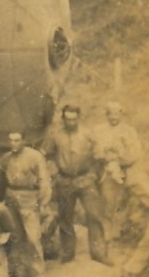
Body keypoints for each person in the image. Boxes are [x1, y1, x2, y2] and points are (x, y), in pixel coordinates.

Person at [42, 104, 109, 264]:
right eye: (67, 119)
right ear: (63, 119)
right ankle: (68, 252)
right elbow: (45, 155)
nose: (71, 122)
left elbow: (99, 156)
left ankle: (98, 252)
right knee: (65, 218)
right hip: (65, 181)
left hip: (86, 180)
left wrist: (93, 174)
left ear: (79, 118)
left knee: (94, 215)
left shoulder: (88, 134)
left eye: (74, 119)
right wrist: (55, 173)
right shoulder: (55, 135)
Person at [0, 130, 52, 277]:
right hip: (12, 198)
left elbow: (44, 180)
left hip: (29, 198)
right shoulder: (6, 159)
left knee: (33, 238)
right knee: (15, 238)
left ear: (24, 141)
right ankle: (19, 273)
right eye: (11, 140)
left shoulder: (34, 156)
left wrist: (43, 202)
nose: (14, 143)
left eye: (17, 140)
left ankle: (40, 276)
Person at [92, 102, 142, 237]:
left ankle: (126, 232)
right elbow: (95, 151)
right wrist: (106, 156)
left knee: (128, 202)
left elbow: (136, 152)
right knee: (108, 203)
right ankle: (110, 235)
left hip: (127, 170)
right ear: (106, 115)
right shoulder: (99, 130)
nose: (113, 117)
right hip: (106, 172)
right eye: (110, 114)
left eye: (116, 114)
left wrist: (121, 159)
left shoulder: (129, 131)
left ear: (121, 114)